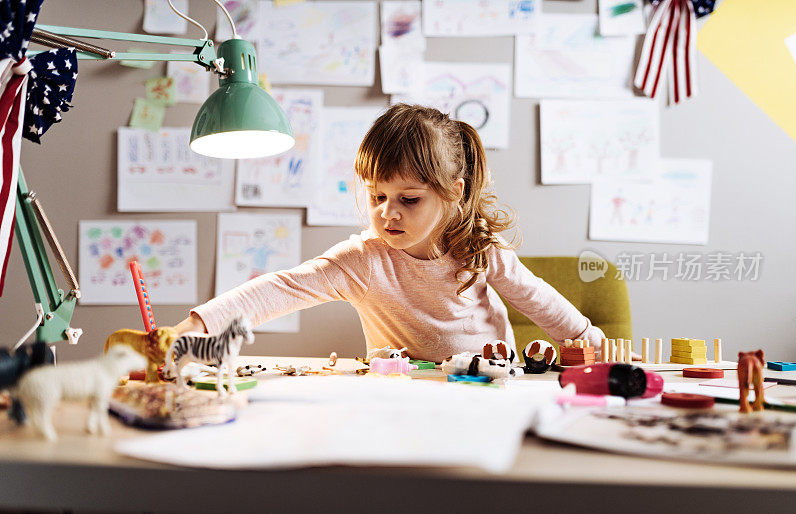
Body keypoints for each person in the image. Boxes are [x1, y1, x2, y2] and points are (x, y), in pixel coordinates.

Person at [174, 104, 605, 362]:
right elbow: (280, 289)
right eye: (377, 195)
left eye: (408, 199)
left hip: (485, 389)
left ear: (453, 193)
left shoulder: (478, 250)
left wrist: (592, 345)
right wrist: (191, 330)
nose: (387, 213)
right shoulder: (363, 260)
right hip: (399, 394)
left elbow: (540, 301)